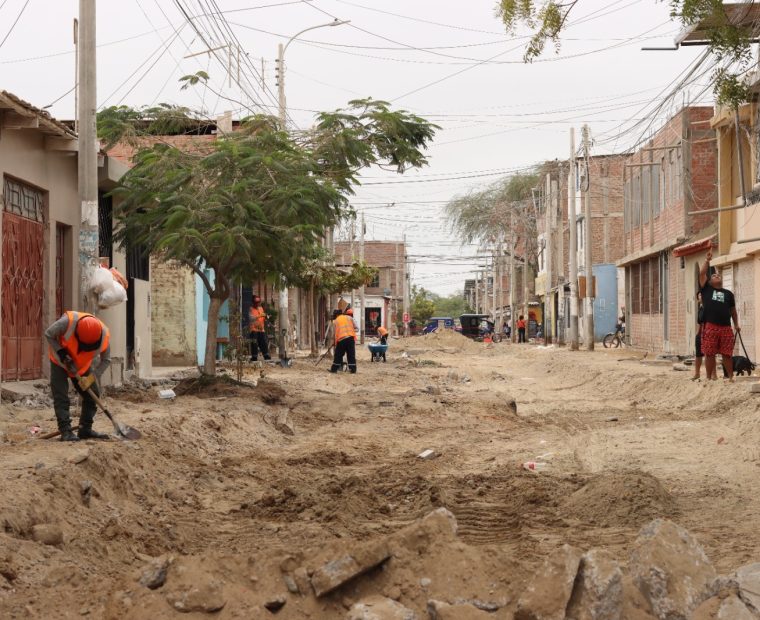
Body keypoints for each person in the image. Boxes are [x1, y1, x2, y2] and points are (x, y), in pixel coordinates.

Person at [45, 311, 112, 442]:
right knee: (61, 396)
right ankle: (66, 431)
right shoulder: (66, 323)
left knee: (92, 395)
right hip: (60, 362)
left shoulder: (104, 336)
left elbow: (106, 360)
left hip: (82, 367)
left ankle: (85, 429)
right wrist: (62, 352)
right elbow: (49, 334)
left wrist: (92, 378)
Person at [699, 249, 740, 381]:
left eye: (718, 275)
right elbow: (702, 273)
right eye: (713, 276)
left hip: (726, 327)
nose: (716, 276)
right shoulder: (706, 290)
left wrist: (737, 324)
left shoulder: (729, 294)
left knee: (727, 354)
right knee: (709, 353)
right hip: (711, 325)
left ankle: (730, 377)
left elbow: (733, 311)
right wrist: (707, 260)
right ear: (709, 282)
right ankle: (709, 378)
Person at [330, 309, 357, 373]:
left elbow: (334, 333)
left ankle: (334, 369)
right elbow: (356, 328)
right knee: (351, 354)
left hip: (341, 339)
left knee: (338, 355)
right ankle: (353, 369)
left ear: (336, 315)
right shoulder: (349, 318)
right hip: (351, 338)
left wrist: (334, 342)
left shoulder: (335, 321)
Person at [249, 295, 271, 362]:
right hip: (254, 329)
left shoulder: (261, 308)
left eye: (258, 302)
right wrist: (259, 316)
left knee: (263, 343)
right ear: (253, 302)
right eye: (256, 302)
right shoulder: (250, 309)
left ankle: (266, 355)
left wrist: (266, 317)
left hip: (261, 329)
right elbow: (251, 318)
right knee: (254, 344)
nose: (258, 303)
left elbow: (263, 316)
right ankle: (254, 357)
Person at [692, 292, 707, 381]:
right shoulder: (700, 308)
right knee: (698, 355)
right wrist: (697, 334)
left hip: (708, 333)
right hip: (700, 333)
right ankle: (697, 373)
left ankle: (713, 374)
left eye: (703, 294)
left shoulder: (708, 307)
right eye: (700, 295)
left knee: (709, 354)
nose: (702, 296)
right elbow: (699, 323)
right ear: (698, 299)